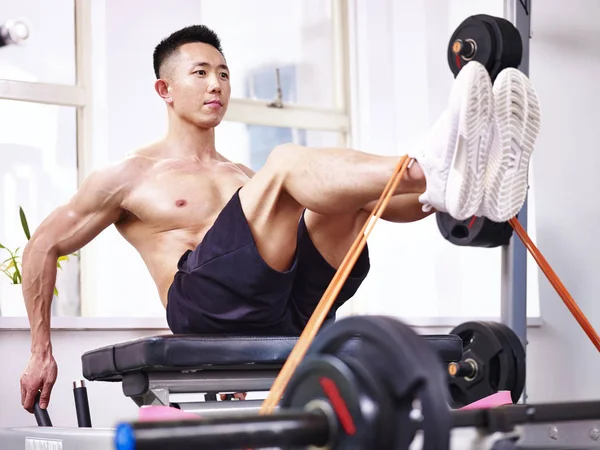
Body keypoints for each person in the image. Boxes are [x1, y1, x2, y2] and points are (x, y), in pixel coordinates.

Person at [18, 24, 540, 413]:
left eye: (222, 73)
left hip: (288, 308)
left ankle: (450, 189)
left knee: (341, 197)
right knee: (289, 164)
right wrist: (40, 351)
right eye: (199, 73)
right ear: (165, 90)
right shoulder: (130, 175)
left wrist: (447, 202)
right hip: (204, 311)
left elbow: (362, 206)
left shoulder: (245, 179)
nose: (216, 84)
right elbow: (42, 245)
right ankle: (435, 167)